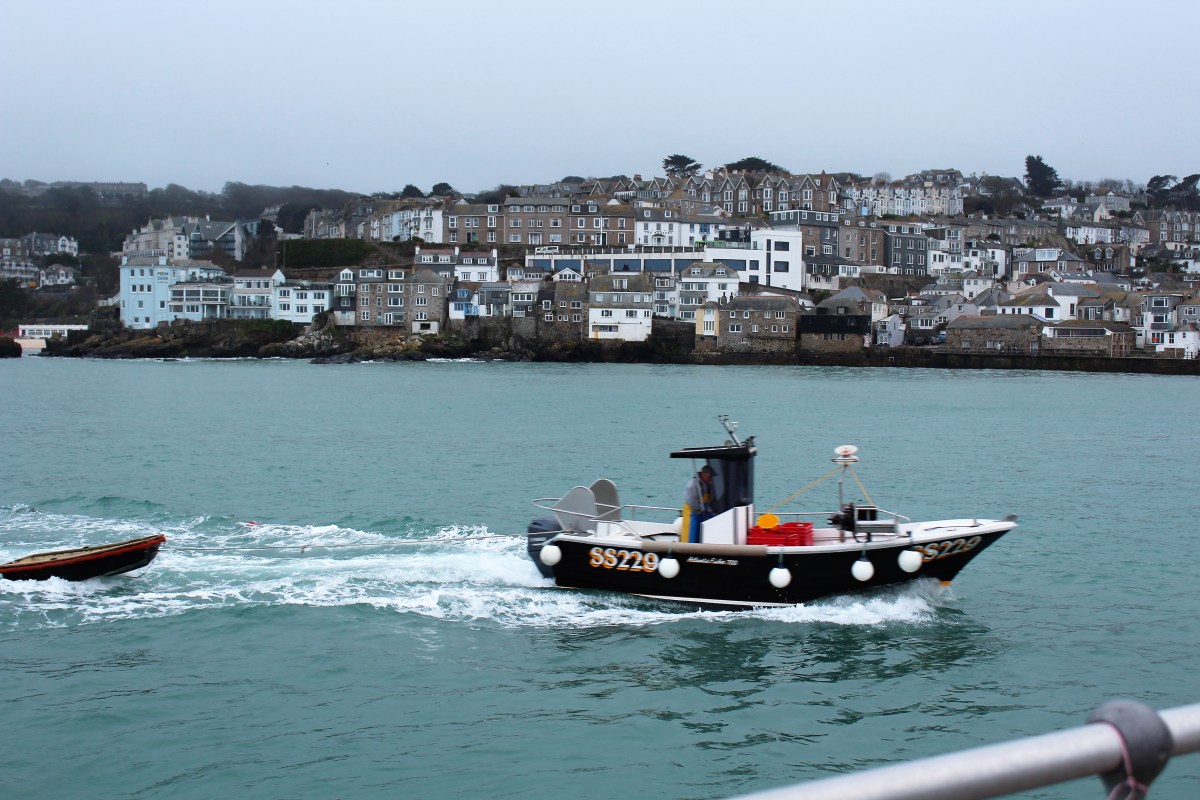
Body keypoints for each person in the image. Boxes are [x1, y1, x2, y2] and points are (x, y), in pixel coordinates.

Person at [684, 464, 717, 541]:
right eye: (710, 475)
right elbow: (692, 502)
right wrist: (701, 511)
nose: (711, 478)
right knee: (692, 535)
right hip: (693, 511)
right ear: (704, 474)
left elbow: (709, 500)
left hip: (703, 511)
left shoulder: (708, 484)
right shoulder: (692, 485)